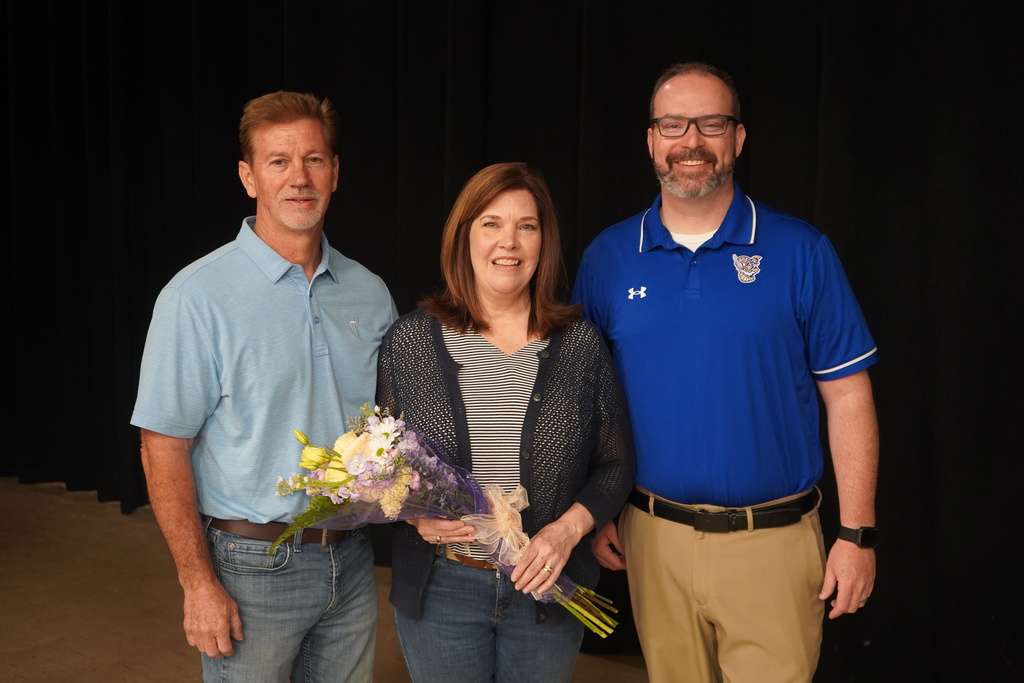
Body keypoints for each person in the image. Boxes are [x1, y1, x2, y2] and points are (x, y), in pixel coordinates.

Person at [572, 62, 880, 683]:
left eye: (711, 123)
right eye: (673, 125)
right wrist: (595, 508)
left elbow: (848, 397)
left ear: (737, 137)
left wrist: (857, 534)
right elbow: (585, 399)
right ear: (651, 140)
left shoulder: (800, 251)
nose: (691, 141)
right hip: (651, 539)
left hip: (773, 543)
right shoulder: (608, 257)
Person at [131, 91, 396, 683]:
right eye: (279, 161)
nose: (299, 177)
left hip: (352, 561)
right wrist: (197, 583)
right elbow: (161, 446)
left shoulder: (369, 291)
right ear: (249, 177)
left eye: (314, 160)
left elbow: (389, 426)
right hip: (250, 567)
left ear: (335, 173)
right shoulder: (195, 297)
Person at [375, 162, 635, 683]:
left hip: (548, 585)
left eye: (526, 226)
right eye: (491, 223)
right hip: (442, 588)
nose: (508, 242)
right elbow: (382, 462)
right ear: (464, 237)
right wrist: (414, 515)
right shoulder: (410, 342)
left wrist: (566, 532)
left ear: (544, 241)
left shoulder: (580, 346)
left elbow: (616, 464)